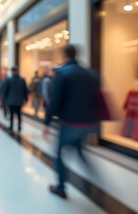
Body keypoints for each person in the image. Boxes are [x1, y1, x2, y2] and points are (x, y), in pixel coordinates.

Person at [43, 44, 99, 199]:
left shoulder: (62, 73)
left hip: (70, 123)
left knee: (59, 154)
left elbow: (55, 101)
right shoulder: (90, 74)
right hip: (88, 123)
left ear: (64, 55)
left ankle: (61, 187)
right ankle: (97, 182)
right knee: (79, 151)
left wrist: (46, 123)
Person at [3, 66, 28, 133]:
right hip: (19, 100)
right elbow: (25, 90)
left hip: (11, 100)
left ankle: (11, 127)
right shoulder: (22, 80)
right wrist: (26, 99)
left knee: (11, 114)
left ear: (12, 71)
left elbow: (6, 90)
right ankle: (19, 127)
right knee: (19, 114)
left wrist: (5, 99)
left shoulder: (9, 79)